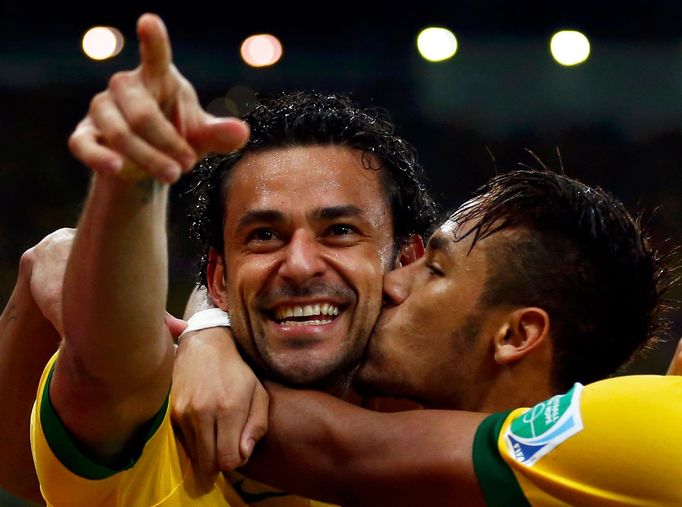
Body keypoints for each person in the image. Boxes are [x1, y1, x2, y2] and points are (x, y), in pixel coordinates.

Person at [24, 12, 435, 506]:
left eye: (340, 231)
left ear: (406, 261)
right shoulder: (155, 425)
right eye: (264, 236)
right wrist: (132, 179)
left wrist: (207, 328)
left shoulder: (458, 433)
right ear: (218, 279)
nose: (301, 265)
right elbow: (105, 361)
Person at [228, 169, 681, 506]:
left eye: (435, 270)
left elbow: (337, 451)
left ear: (515, 335)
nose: (393, 284)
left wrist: (210, 335)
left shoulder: (632, 428)